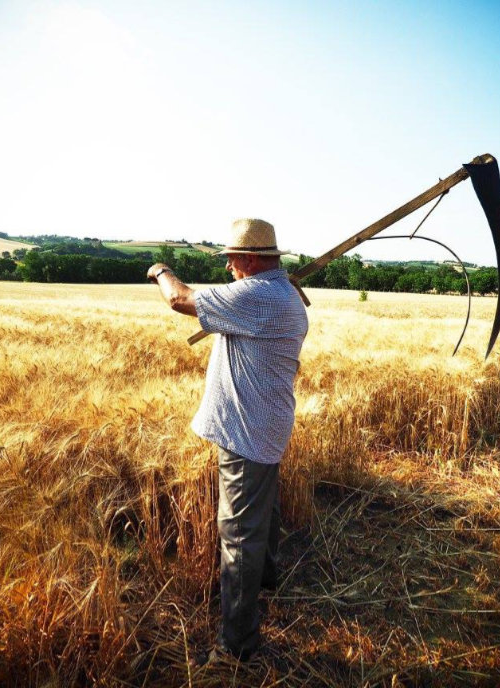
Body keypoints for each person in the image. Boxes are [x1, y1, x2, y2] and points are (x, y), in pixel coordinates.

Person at [147, 218, 308, 662]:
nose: (228, 267)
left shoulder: (257, 295)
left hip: (246, 432)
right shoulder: (284, 293)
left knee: (238, 534)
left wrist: (160, 270)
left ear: (252, 260)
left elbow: (180, 299)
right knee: (263, 513)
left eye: (233, 259)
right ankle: (266, 582)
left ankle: (236, 646)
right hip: (267, 425)